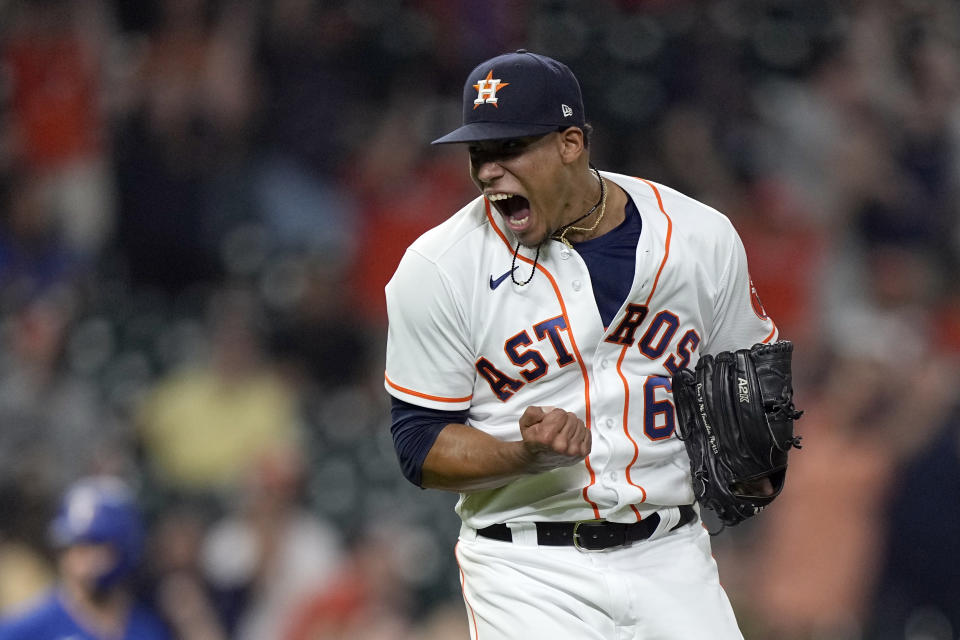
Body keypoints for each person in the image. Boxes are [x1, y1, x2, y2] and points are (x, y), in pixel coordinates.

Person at [383, 50, 780, 639]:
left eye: (509, 148)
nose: (489, 170)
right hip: (526, 568)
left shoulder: (700, 237)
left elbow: (749, 376)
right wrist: (525, 456)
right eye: (479, 153)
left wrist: (759, 459)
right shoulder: (439, 267)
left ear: (571, 143)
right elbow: (418, 443)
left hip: (671, 555)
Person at [0, 475, 171, 640]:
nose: (78, 560)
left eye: (92, 545)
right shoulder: (25, 631)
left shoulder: (150, 630)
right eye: (71, 547)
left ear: (123, 550)